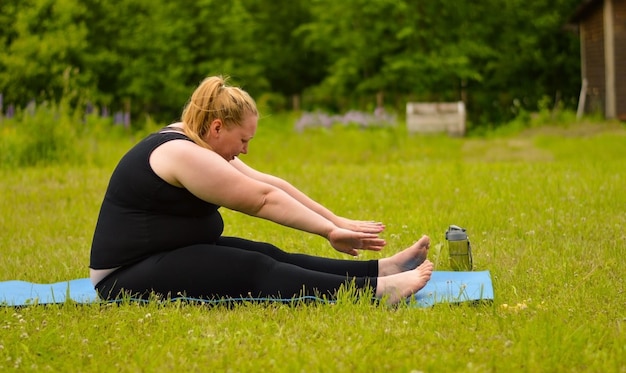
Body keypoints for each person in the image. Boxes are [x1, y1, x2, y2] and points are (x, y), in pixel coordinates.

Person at [89, 75, 434, 305]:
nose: (244, 150)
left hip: (163, 255)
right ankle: (376, 292)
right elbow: (261, 200)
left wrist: (336, 220)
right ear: (217, 127)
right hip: (123, 279)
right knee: (251, 268)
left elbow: (269, 183)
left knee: (268, 254)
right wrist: (328, 231)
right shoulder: (183, 153)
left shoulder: (195, 137)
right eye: (243, 140)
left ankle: (380, 271)